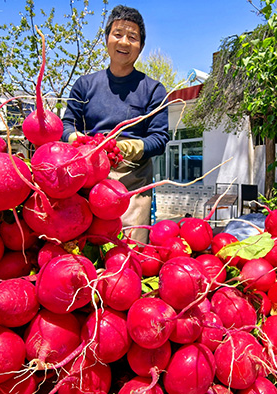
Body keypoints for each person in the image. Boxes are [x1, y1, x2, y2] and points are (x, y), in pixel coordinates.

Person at [62, 5, 169, 244]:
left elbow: (159, 139)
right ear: (106, 39)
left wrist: (126, 148)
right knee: (84, 247)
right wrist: (79, 141)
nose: (124, 42)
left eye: (133, 37)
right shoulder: (84, 85)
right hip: (87, 176)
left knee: (129, 252)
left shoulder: (153, 89)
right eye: (118, 34)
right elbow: (66, 125)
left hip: (132, 182)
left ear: (140, 47)